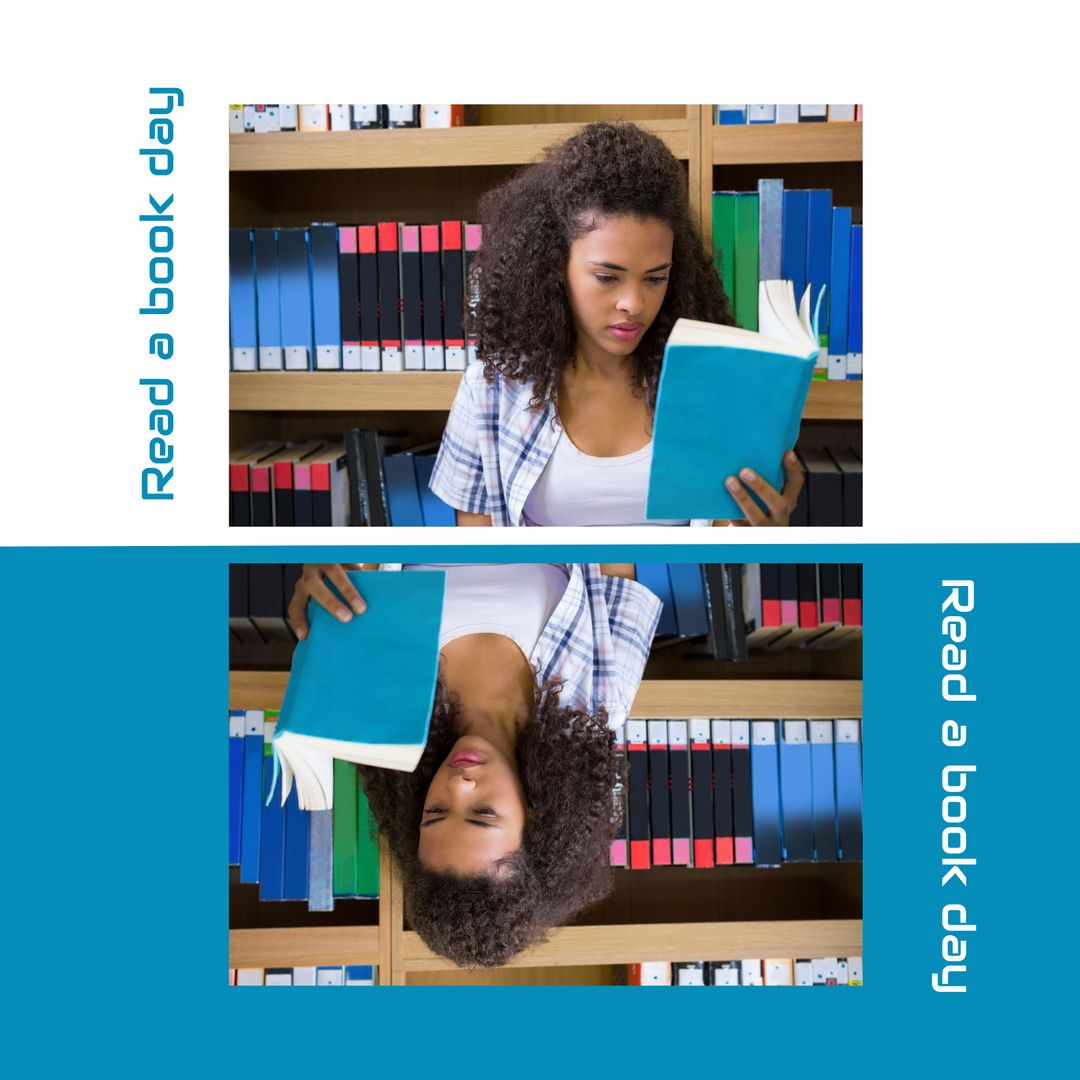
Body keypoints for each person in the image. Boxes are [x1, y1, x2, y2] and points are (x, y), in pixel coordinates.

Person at [429, 120, 804, 528]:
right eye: (607, 278)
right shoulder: (491, 391)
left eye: (655, 278)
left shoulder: (713, 384)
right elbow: (482, 572)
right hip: (549, 596)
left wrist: (757, 532)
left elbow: (723, 557)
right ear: (556, 265)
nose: (634, 303)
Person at [288, 560, 660, 968]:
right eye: (482, 813)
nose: (458, 785)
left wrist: (329, 568)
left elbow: (354, 556)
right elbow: (615, 548)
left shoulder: (376, 712)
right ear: (535, 822)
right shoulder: (601, 702)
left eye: (436, 812)